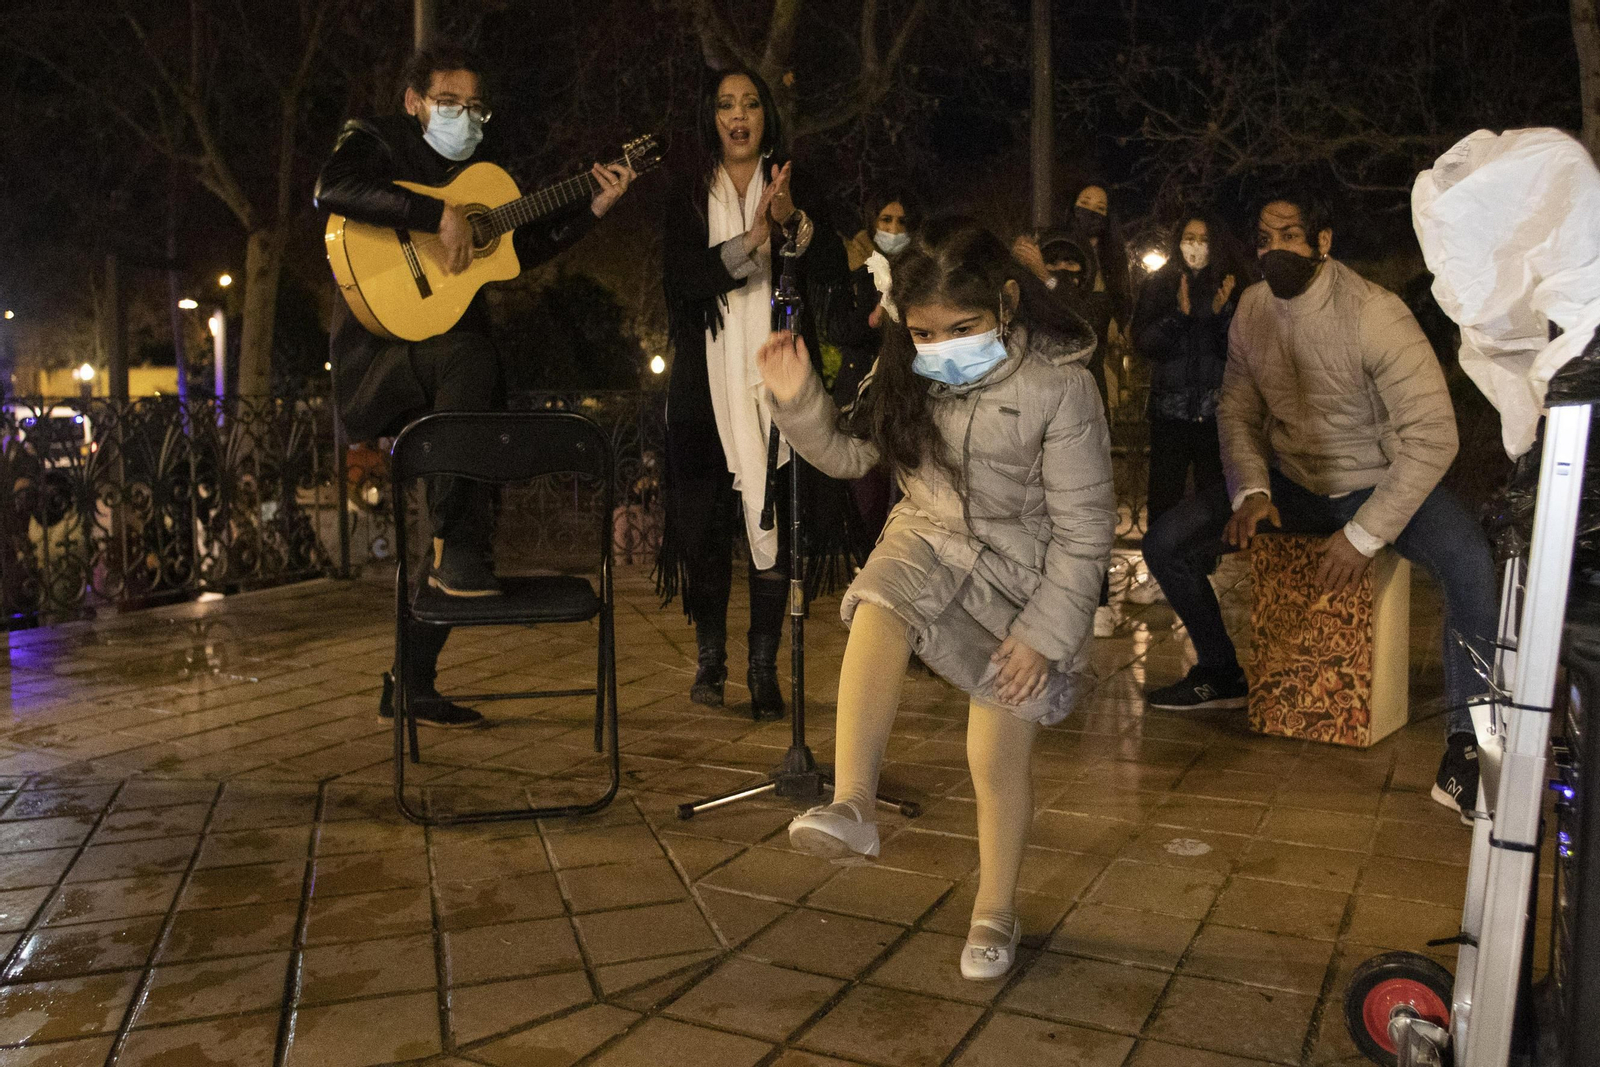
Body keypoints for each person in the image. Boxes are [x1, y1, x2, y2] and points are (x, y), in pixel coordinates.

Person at [762, 218, 1115, 980]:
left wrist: (1044, 634)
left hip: (1025, 581)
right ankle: (854, 803)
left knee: (992, 754)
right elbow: (853, 453)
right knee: (878, 600)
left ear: (1008, 304)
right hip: (929, 543)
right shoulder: (906, 373)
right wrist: (798, 404)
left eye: (964, 327)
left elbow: (1087, 533)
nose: (943, 346)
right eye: (924, 331)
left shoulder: (1062, 386)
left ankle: (997, 905)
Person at [1141, 189, 1498, 819]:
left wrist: (1364, 535)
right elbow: (1237, 409)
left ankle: (1469, 744)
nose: (1273, 248)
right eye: (1264, 236)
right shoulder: (1251, 308)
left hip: (1378, 481)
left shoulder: (1374, 313)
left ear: (1323, 242)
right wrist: (1250, 488)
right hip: (1292, 483)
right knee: (1167, 542)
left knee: (1470, 562)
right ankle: (1221, 674)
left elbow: (1435, 434)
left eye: (1290, 235)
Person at [314, 44, 634, 728]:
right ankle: (454, 550)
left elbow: (516, 248)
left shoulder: (478, 179)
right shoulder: (373, 140)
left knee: (467, 517)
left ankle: (412, 679)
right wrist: (436, 217)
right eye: (449, 102)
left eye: (473, 106)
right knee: (471, 362)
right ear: (413, 101)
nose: (464, 117)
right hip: (380, 365)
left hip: (451, 376)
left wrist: (593, 210)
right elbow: (332, 189)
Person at [655, 67, 849, 721]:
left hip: (778, 375)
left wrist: (791, 220)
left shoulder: (792, 178)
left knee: (776, 520)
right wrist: (751, 242)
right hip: (701, 379)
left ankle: (763, 667)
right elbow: (680, 279)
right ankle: (711, 660)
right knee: (704, 525)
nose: (739, 115)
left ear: (767, 115)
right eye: (725, 105)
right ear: (710, 117)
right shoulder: (686, 190)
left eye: (751, 104)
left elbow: (830, 269)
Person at [1014, 184, 1132, 637]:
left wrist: (1044, 275)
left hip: (1085, 409)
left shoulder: (1095, 293)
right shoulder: (1029, 293)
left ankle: (1097, 599)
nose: (1063, 271)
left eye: (1072, 265)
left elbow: (1078, 322)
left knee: (1085, 510)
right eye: (1055, 262)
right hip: (1037, 409)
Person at [1126, 211, 1252, 604]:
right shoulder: (1159, 284)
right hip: (1170, 411)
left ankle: (1201, 572)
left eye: (1204, 237)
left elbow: (1240, 349)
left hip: (1216, 412)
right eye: (1189, 236)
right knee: (1164, 497)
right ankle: (1159, 573)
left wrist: (1220, 315)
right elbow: (1144, 343)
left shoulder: (1232, 285)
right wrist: (1178, 318)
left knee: (1211, 499)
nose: (1196, 245)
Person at [831, 190, 923, 554]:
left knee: (906, 497)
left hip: (907, 394)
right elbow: (836, 327)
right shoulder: (853, 263)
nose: (894, 229)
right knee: (866, 497)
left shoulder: (919, 266)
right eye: (886, 220)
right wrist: (872, 319)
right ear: (873, 222)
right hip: (864, 395)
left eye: (901, 222)